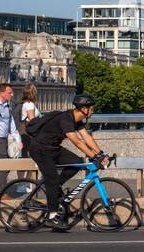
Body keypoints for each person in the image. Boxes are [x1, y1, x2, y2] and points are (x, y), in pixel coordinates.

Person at [26, 94, 112, 224]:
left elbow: (87, 137)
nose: (93, 111)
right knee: (52, 179)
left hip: (53, 148)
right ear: (84, 109)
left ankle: (56, 189)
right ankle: (52, 215)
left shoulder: (77, 120)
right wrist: (93, 156)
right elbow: (76, 141)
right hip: (40, 150)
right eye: (91, 108)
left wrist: (100, 153)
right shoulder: (66, 119)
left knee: (77, 163)